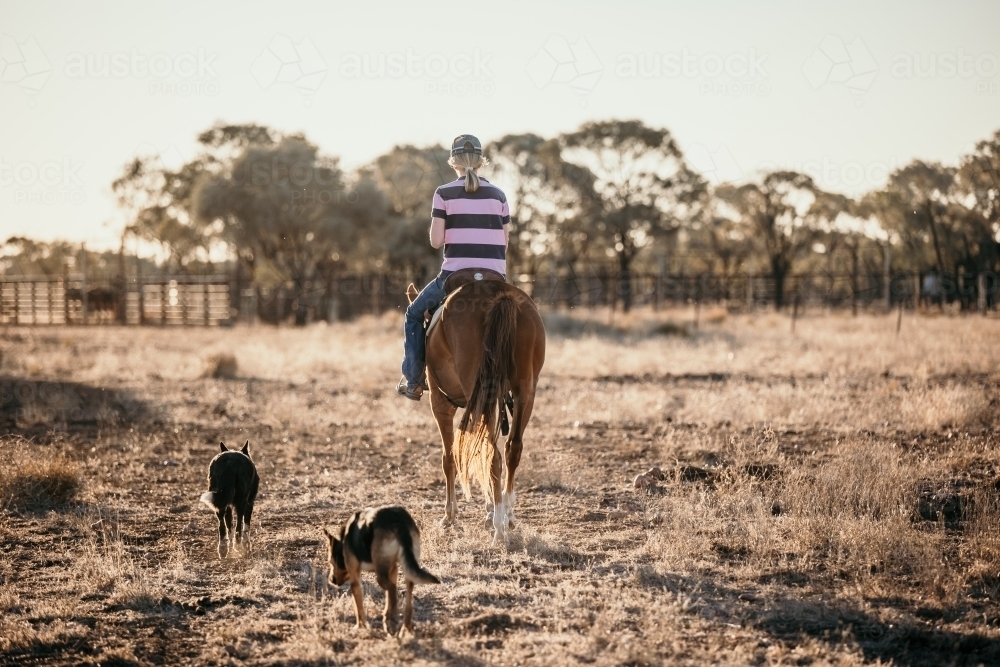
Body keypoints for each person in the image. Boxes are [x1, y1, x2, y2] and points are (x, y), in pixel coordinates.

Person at [397, 134, 511, 400]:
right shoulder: (499, 195)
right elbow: (504, 242)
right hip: (495, 277)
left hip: (454, 275)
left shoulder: (443, 193)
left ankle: (413, 380)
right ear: (481, 162)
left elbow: (436, 242)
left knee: (414, 314)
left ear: (453, 162)